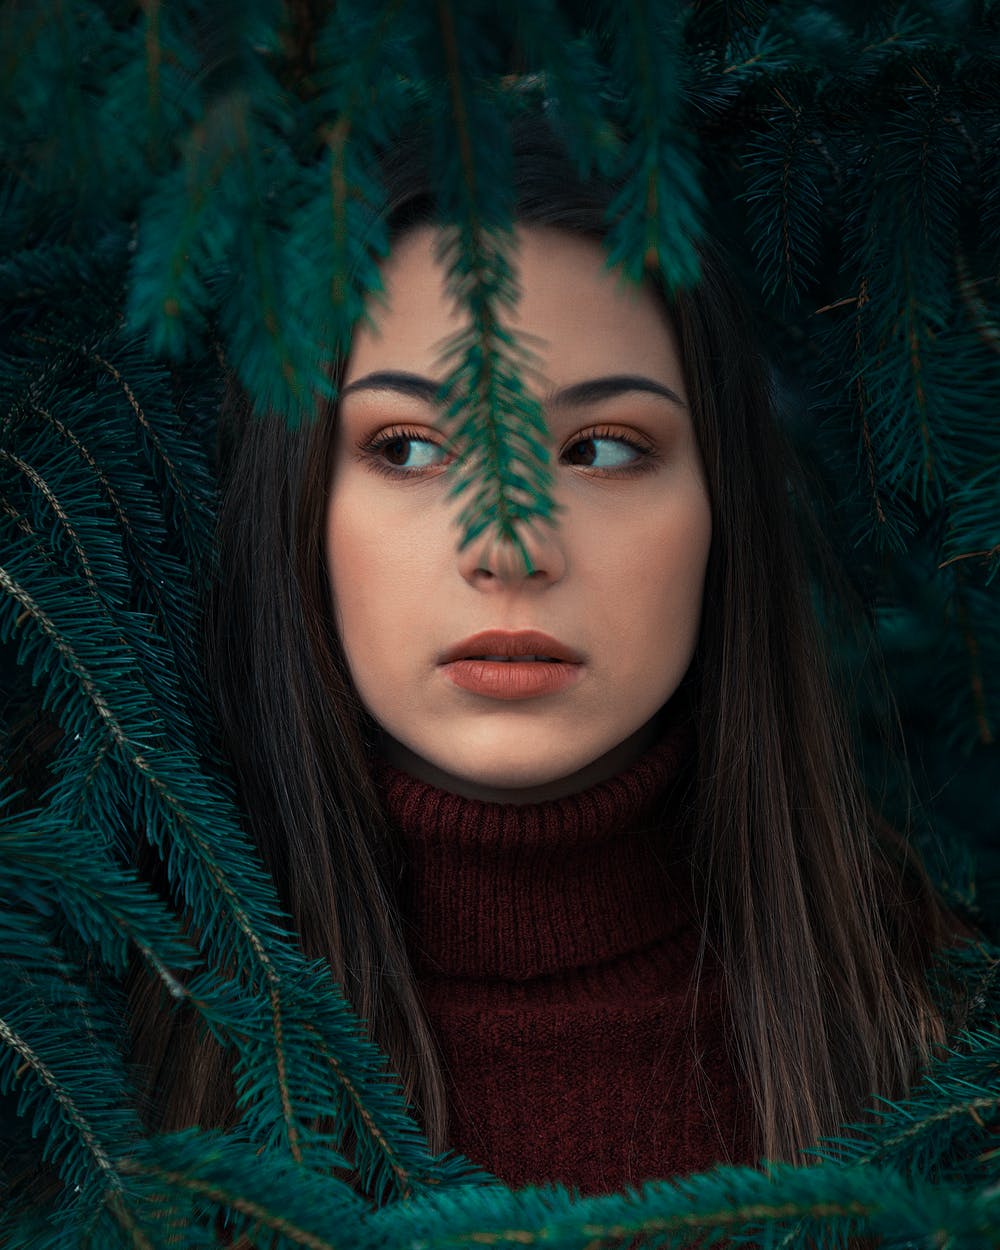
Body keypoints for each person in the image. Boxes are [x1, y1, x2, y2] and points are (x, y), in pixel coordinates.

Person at [127, 114, 957, 1196]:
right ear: (295, 513)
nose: (509, 543)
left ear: (721, 512)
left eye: (601, 448)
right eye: (410, 447)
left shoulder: (944, 1044)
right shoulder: (95, 1057)